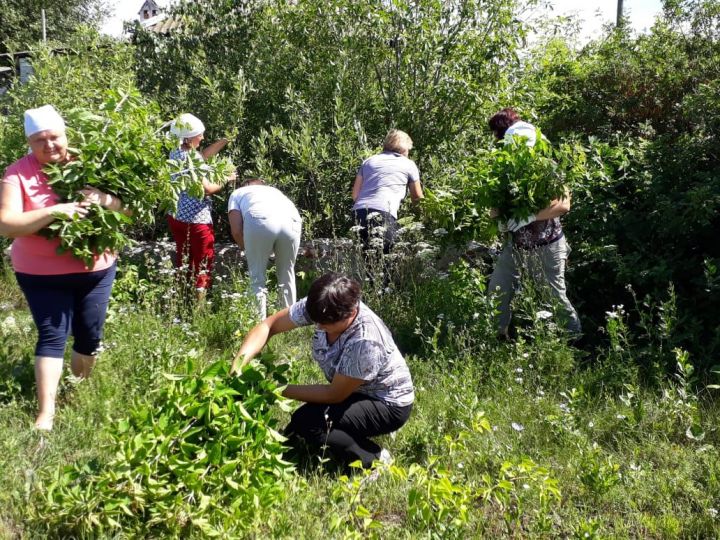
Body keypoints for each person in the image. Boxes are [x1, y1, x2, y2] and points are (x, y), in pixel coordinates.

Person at [0, 105, 124, 431]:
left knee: (89, 337)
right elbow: (7, 224)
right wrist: (57, 212)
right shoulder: (18, 174)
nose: (49, 145)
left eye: (54, 137)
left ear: (65, 134)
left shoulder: (92, 162)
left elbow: (125, 211)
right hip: (41, 274)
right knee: (52, 335)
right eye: (39, 140)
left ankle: (77, 390)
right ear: (29, 142)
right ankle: (46, 415)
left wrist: (105, 199)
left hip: (95, 269)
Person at [231, 272, 414, 469]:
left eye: (325, 324)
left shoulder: (365, 340)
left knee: (311, 423)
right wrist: (238, 365)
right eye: (316, 320)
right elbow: (270, 325)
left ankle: (372, 458)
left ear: (351, 313)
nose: (318, 325)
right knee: (297, 429)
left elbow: (334, 394)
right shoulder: (323, 304)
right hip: (354, 391)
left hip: (387, 403)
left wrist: (274, 388)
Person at [487, 107, 582, 338]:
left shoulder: (547, 169)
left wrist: (528, 217)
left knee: (554, 295)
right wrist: (499, 219)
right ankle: (496, 339)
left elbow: (564, 204)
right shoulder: (504, 170)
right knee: (498, 290)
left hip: (547, 245)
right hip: (515, 245)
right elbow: (494, 207)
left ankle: (574, 340)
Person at [167, 113, 234, 297]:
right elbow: (207, 189)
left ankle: (181, 298)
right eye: (200, 134)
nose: (202, 138)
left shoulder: (177, 151)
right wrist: (226, 179)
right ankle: (199, 310)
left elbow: (202, 157)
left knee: (184, 259)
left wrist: (224, 140)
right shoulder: (190, 157)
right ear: (189, 137)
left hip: (177, 217)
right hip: (197, 220)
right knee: (204, 262)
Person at [227, 179, 302, 319]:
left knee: (257, 277)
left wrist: (247, 248)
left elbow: (236, 230)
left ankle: (258, 323)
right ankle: (289, 322)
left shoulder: (237, 192)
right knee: (287, 273)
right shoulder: (275, 191)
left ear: (245, 186)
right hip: (292, 219)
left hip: (260, 218)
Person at [351, 129, 424, 255]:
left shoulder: (368, 161)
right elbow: (417, 198)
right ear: (404, 149)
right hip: (383, 213)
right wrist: (423, 218)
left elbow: (355, 195)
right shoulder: (408, 164)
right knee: (385, 262)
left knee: (368, 261)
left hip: (358, 214)